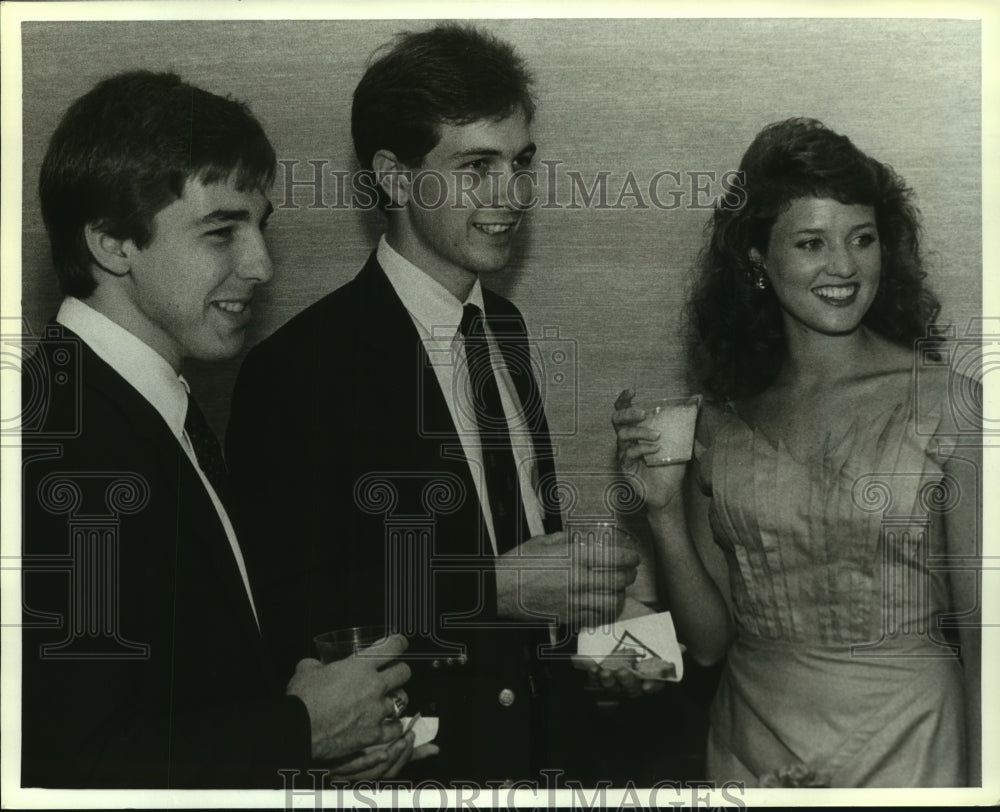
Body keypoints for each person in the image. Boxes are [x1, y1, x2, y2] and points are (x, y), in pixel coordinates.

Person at [226, 24, 646, 784]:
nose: (510, 197)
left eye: (520, 163)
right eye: (475, 167)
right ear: (393, 176)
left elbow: (524, 546)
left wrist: (612, 653)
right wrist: (493, 587)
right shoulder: (297, 368)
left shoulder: (506, 329)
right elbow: (283, 608)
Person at [20, 70, 419, 789]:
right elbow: (61, 768)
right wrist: (299, 728)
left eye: (259, 226)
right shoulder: (60, 446)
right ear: (113, 242)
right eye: (220, 230)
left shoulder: (140, 402)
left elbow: (171, 693)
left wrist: (308, 717)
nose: (260, 264)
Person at [613, 118, 981, 787]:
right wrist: (663, 516)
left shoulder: (953, 405)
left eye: (862, 239)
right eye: (811, 242)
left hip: (913, 745)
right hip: (753, 749)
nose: (843, 266)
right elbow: (706, 644)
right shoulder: (720, 424)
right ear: (758, 259)